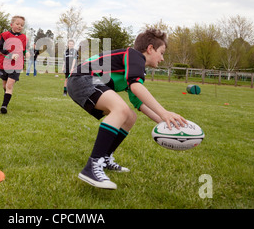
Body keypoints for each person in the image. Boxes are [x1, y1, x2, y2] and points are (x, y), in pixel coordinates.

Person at [67, 28, 187, 190]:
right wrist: (164, 112)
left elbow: (140, 104)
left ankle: (105, 158)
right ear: (150, 49)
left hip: (85, 81)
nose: (162, 58)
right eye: (162, 52)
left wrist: (166, 122)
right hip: (83, 79)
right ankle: (92, 166)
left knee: (130, 117)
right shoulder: (135, 56)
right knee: (121, 109)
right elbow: (137, 87)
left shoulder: (134, 65)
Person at [0, 15, 28, 114]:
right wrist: (10, 55)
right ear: (11, 25)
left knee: (9, 85)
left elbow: (23, 50)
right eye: (17, 24)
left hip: (16, 65)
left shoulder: (24, 38)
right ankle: (7, 94)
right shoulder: (4, 35)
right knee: (5, 85)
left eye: (22, 25)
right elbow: (1, 49)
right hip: (5, 64)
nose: (20, 26)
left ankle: (4, 106)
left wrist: (26, 53)